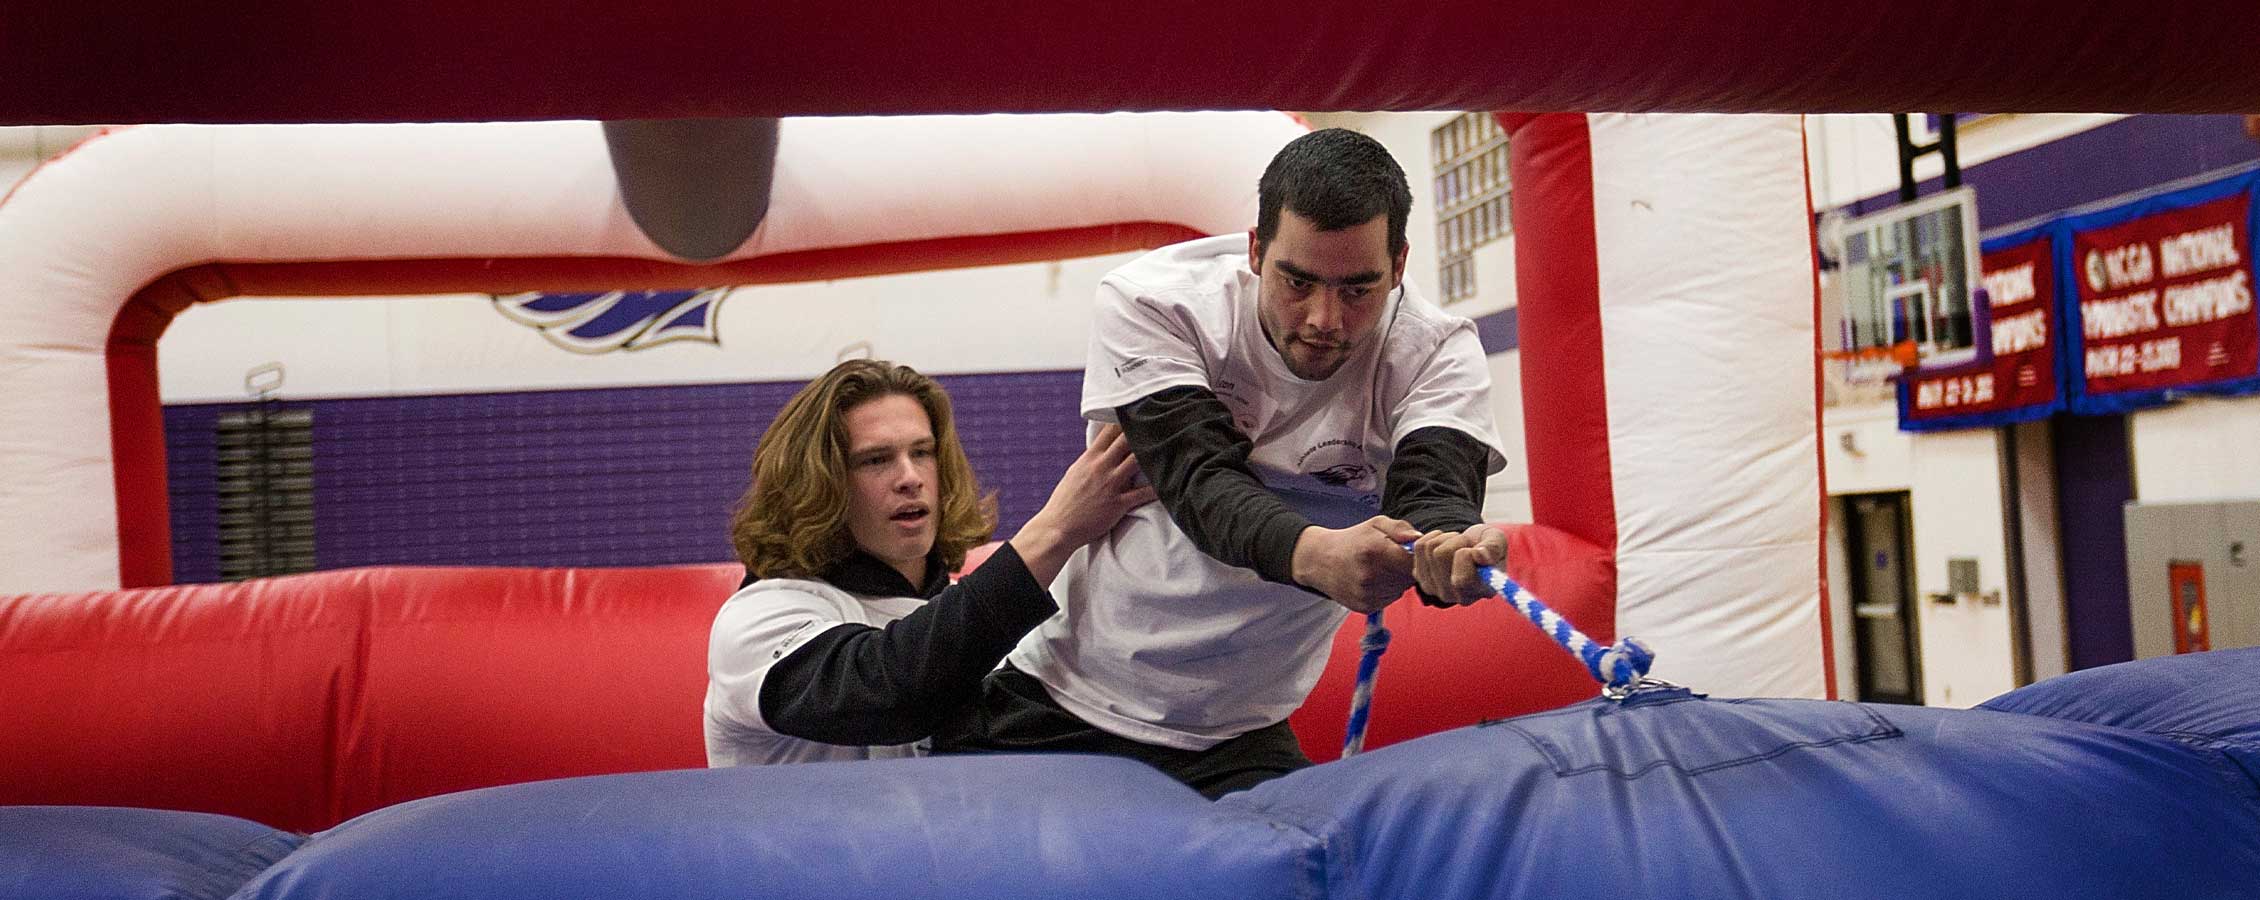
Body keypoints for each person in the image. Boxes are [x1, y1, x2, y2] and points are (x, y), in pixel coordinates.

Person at [933, 128, 1508, 797]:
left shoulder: (1435, 351)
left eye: (1359, 290)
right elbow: (1200, 481)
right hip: (1064, 695)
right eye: (1298, 282)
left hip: (1239, 728)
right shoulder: (1158, 302)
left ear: (1399, 265)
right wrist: (1313, 555)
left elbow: (1435, 492)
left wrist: (1447, 551)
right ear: (1257, 251)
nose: (1325, 318)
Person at [704, 358, 1154, 766]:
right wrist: (1055, 532)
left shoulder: (955, 618)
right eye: (876, 460)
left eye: (922, 452)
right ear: (816, 484)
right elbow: (889, 695)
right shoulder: (759, 617)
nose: (910, 478)